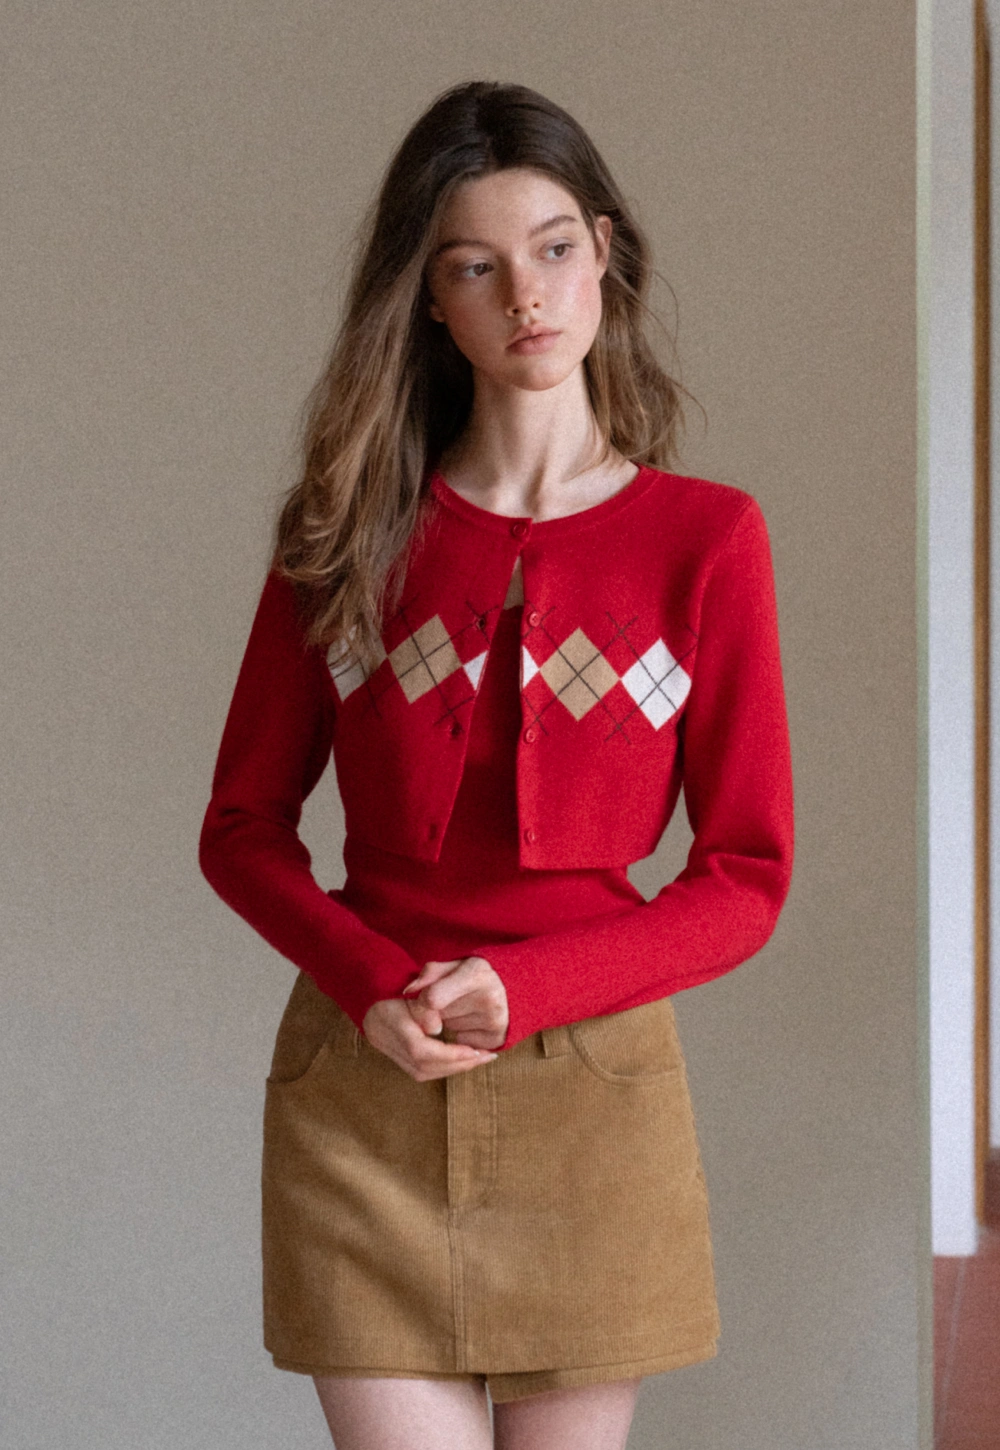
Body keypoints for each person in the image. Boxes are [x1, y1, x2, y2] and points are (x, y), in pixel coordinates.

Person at [198, 79, 794, 1450]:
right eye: (475, 265)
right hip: (366, 1092)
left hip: (597, 1099)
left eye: (554, 248)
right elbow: (241, 825)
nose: (525, 293)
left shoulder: (706, 541)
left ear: (607, 256)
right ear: (432, 302)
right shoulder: (344, 532)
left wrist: (526, 985)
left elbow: (746, 874)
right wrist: (368, 982)